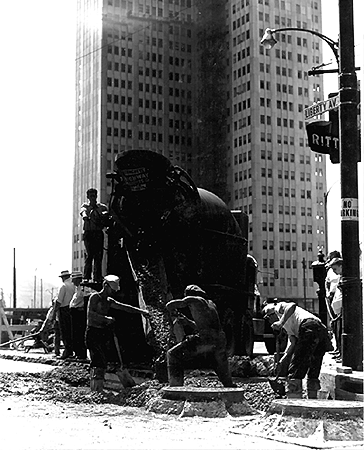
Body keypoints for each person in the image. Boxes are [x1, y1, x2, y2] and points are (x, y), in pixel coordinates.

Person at [85, 275, 149, 392]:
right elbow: (91, 315)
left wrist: (141, 311)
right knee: (98, 361)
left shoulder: (109, 301)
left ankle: (124, 388)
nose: (113, 292)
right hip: (93, 333)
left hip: (103, 333)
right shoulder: (95, 297)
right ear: (105, 286)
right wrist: (106, 319)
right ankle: (96, 390)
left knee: (110, 360)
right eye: (111, 290)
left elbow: (124, 307)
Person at [166, 285, 235, 388]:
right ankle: (230, 389)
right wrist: (187, 322)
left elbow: (173, 304)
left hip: (206, 339)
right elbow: (204, 327)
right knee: (219, 364)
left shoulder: (196, 299)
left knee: (173, 354)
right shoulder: (211, 304)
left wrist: (168, 307)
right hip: (219, 340)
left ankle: (175, 387)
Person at [262, 300, 333, 399]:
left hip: (309, 327)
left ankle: (294, 402)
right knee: (314, 367)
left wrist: (280, 323)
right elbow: (292, 343)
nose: (268, 320)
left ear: (271, 312)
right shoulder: (288, 324)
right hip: (320, 329)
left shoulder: (279, 308)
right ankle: (313, 401)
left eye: (267, 316)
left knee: (296, 368)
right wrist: (282, 360)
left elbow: (292, 305)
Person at [80, 188, 109, 283]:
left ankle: (97, 276)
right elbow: (83, 211)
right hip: (89, 234)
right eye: (91, 196)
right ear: (88, 197)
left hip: (98, 233)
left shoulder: (101, 207)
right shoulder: (85, 206)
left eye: (94, 195)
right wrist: (85, 216)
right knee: (89, 255)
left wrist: (103, 216)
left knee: (99, 256)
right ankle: (86, 277)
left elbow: (106, 213)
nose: (93, 198)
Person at [54, 270, 75, 359]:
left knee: (64, 331)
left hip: (64, 309)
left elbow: (59, 301)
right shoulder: (73, 285)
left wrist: (55, 311)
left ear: (63, 278)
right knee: (71, 330)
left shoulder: (63, 286)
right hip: (72, 308)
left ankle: (67, 350)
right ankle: (71, 350)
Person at [326, 257, 343, 362]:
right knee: (337, 330)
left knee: (341, 331)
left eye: (335, 269)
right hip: (337, 311)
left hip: (341, 311)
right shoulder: (340, 277)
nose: (334, 271)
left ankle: (342, 353)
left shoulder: (343, 277)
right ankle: (340, 351)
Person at [69, 271, 88, 360]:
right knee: (75, 334)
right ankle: (77, 352)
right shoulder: (77, 289)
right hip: (74, 312)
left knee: (79, 333)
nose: (72, 282)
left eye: (74, 280)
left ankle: (81, 353)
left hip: (79, 313)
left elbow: (85, 300)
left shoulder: (83, 288)